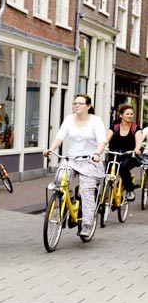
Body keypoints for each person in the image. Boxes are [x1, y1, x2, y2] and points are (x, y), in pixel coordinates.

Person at [43, 94, 106, 237]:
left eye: (80, 103)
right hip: (71, 159)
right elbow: (59, 137)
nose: (76, 105)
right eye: (75, 103)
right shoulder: (69, 119)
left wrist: (97, 153)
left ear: (88, 106)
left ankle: (87, 225)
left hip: (90, 161)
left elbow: (102, 141)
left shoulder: (96, 121)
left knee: (86, 191)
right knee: (59, 180)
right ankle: (68, 200)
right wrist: (51, 149)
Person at [105, 104, 143, 201]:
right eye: (127, 114)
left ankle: (130, 189)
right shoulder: (115, 127)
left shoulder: (135, 128)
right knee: (108, 173)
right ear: (121, 115)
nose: (130, 116)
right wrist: (101, 147)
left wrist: (137, 149)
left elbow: (139, 141)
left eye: (131, 114)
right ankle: (109, 193)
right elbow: (106, 139)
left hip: (129, 155)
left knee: (123, 168)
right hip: (114, 154)